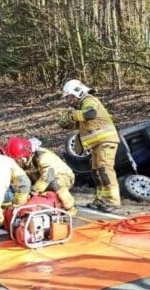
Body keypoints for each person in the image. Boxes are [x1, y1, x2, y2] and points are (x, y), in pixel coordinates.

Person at [58, 79, 120, 212]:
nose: (69, 100)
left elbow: (91, 114)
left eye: (70, 96)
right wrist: (66, 122)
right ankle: (101, 200)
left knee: (104, 170)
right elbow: (80, 121)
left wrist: (73, 115)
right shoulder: (81, 106)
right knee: (96, 172)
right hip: (97, 144)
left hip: (106, 141)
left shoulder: (89, 100)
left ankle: (113, 201)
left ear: (77, 92)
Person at [4, 136, 77, 215]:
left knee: (53, 183)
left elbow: (48, 176)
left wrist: (34, 191)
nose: (18, 162)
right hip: (42, 176)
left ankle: (70, 207)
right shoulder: (27, 159)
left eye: (19, 159)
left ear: (26, 153)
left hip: (64, 177)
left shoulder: (43, 157)